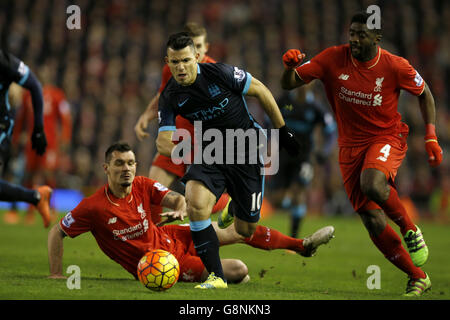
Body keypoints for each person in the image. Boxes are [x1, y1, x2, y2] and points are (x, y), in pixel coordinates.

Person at [280, 11, 443, 297]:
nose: (354, 39)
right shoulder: (333, 58)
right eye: (351, 33)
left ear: (377, 38)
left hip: (386, 138)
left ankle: (409, 229)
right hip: (349, 148)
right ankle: (418, 276)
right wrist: (289, 66)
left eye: (361, 34)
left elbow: (425, 93)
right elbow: (289, 84)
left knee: (373, 184)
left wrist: (430, 135)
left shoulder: (395, 66)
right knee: (372, 220)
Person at [47, 142, 335, 284]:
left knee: (237, 231)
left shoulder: (143, 185)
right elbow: (56, 231)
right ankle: (216, 271)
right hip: (162, 263)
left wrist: (180, 209)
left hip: (170, 235)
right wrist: (57, 275)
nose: (127, 169)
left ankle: (302, 246)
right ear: (106, 168)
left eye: (131, 163)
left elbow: (176, 198)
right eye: (120, 164)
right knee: (239, 271)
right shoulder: (94, 206)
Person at [156, 32, 302, 289]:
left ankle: (233, 208)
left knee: (245, 229)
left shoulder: (219, 73)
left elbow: (260, 90)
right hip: (209, 152)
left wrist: (282, 130)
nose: (181, 67)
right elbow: (162, 142)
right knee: (196, 202)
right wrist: (192, 152)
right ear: (167, 61)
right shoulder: (170, 95)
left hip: (246, 151)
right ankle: (216, 276)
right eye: (175, 62)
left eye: (186, 61)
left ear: (197, 57)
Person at [134, 22, 230, 224]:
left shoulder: (216, 73)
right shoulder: (172, 69)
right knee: (153, 189)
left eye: (199, 47)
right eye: (191, 46)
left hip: (206, 141)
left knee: (199, 203)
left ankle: (226, 202)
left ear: (205, 48)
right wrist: (145, 115)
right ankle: (155, 240)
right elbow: (163, 96)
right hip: (178, 137)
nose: (196, 53)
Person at [8, 63, 72, 224]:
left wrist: (65, 137)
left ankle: (52, 206)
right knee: (30, 173)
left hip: (49, 142)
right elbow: (21, 119)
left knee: (48, 173)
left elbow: (65, 118)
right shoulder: (28, 95)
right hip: (32, 142)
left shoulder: (57, 95)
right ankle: (30, 211)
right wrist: (15, 139)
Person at [269, 85, 337, 238]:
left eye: (307, 82)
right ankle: (291, 204)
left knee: (298, 192)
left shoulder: (315, 107)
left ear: (311, 84)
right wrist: (268, 140)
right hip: (282, 155)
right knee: (277, 200)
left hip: (304, 157)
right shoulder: (285, 101)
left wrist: (325, 151)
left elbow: (331, 130)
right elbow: (268, 118)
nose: (304, 85)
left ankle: (293, 239)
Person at [0, 48, 52, 228]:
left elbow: (34, 85)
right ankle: (36, 197)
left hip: (1, 126)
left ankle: (34, 199)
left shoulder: (5, 61)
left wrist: (38, 130)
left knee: (24, 172)